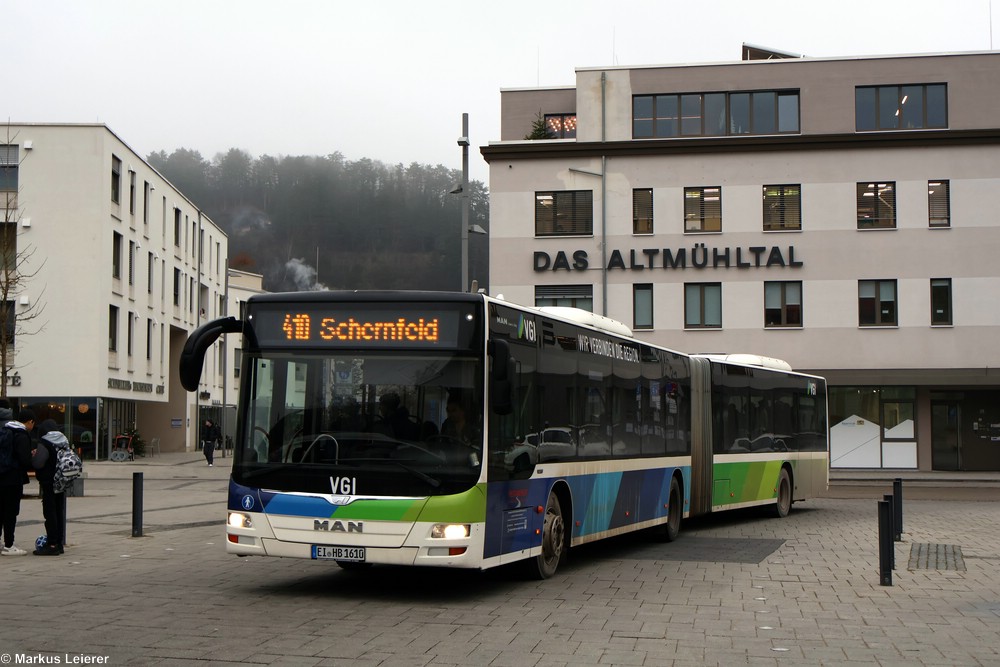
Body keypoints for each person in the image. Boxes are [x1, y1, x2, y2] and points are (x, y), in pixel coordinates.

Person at [0, 405, 34, 556]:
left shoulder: (5, 430)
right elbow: (24, 460)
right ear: (30, 421)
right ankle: (9, 545)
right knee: (10, 513)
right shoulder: (21, 434)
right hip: (13, 479)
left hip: (1, 475)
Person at [30, 419, 67, 556]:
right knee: (59, 512)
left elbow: (38, 463)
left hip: (48, 482)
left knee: (50, 513)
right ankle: (59, 543)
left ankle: (51, 544)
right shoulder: (63, 441)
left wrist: (33, 456)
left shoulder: (45, 442)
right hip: (61, 481)